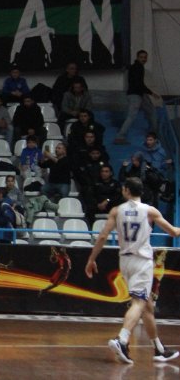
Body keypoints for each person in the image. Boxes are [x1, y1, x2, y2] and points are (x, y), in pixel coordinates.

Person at [85, 177, 180, 364]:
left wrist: (91, 259)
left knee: (147, 307)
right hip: (142, 261)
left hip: (125, 262)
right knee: (139, 302)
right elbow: (174, 232)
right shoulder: (150, 211)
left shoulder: (116, 211)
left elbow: (103, 236)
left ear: (126, 190)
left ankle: (158, 349)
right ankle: (122, 339)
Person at [115, 50, 159, 145]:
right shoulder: (137, 67)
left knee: (151, 111)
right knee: (132, 115)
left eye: (145, 57)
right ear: (137, 57)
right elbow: (139, 84)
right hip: (136, 94)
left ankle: (153, 133)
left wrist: (149, 93)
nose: (144, 59)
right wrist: (151, 93)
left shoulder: (137, 67)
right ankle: (120, 137)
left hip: (139, 94)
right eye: (142, 57)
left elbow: (139, 84)